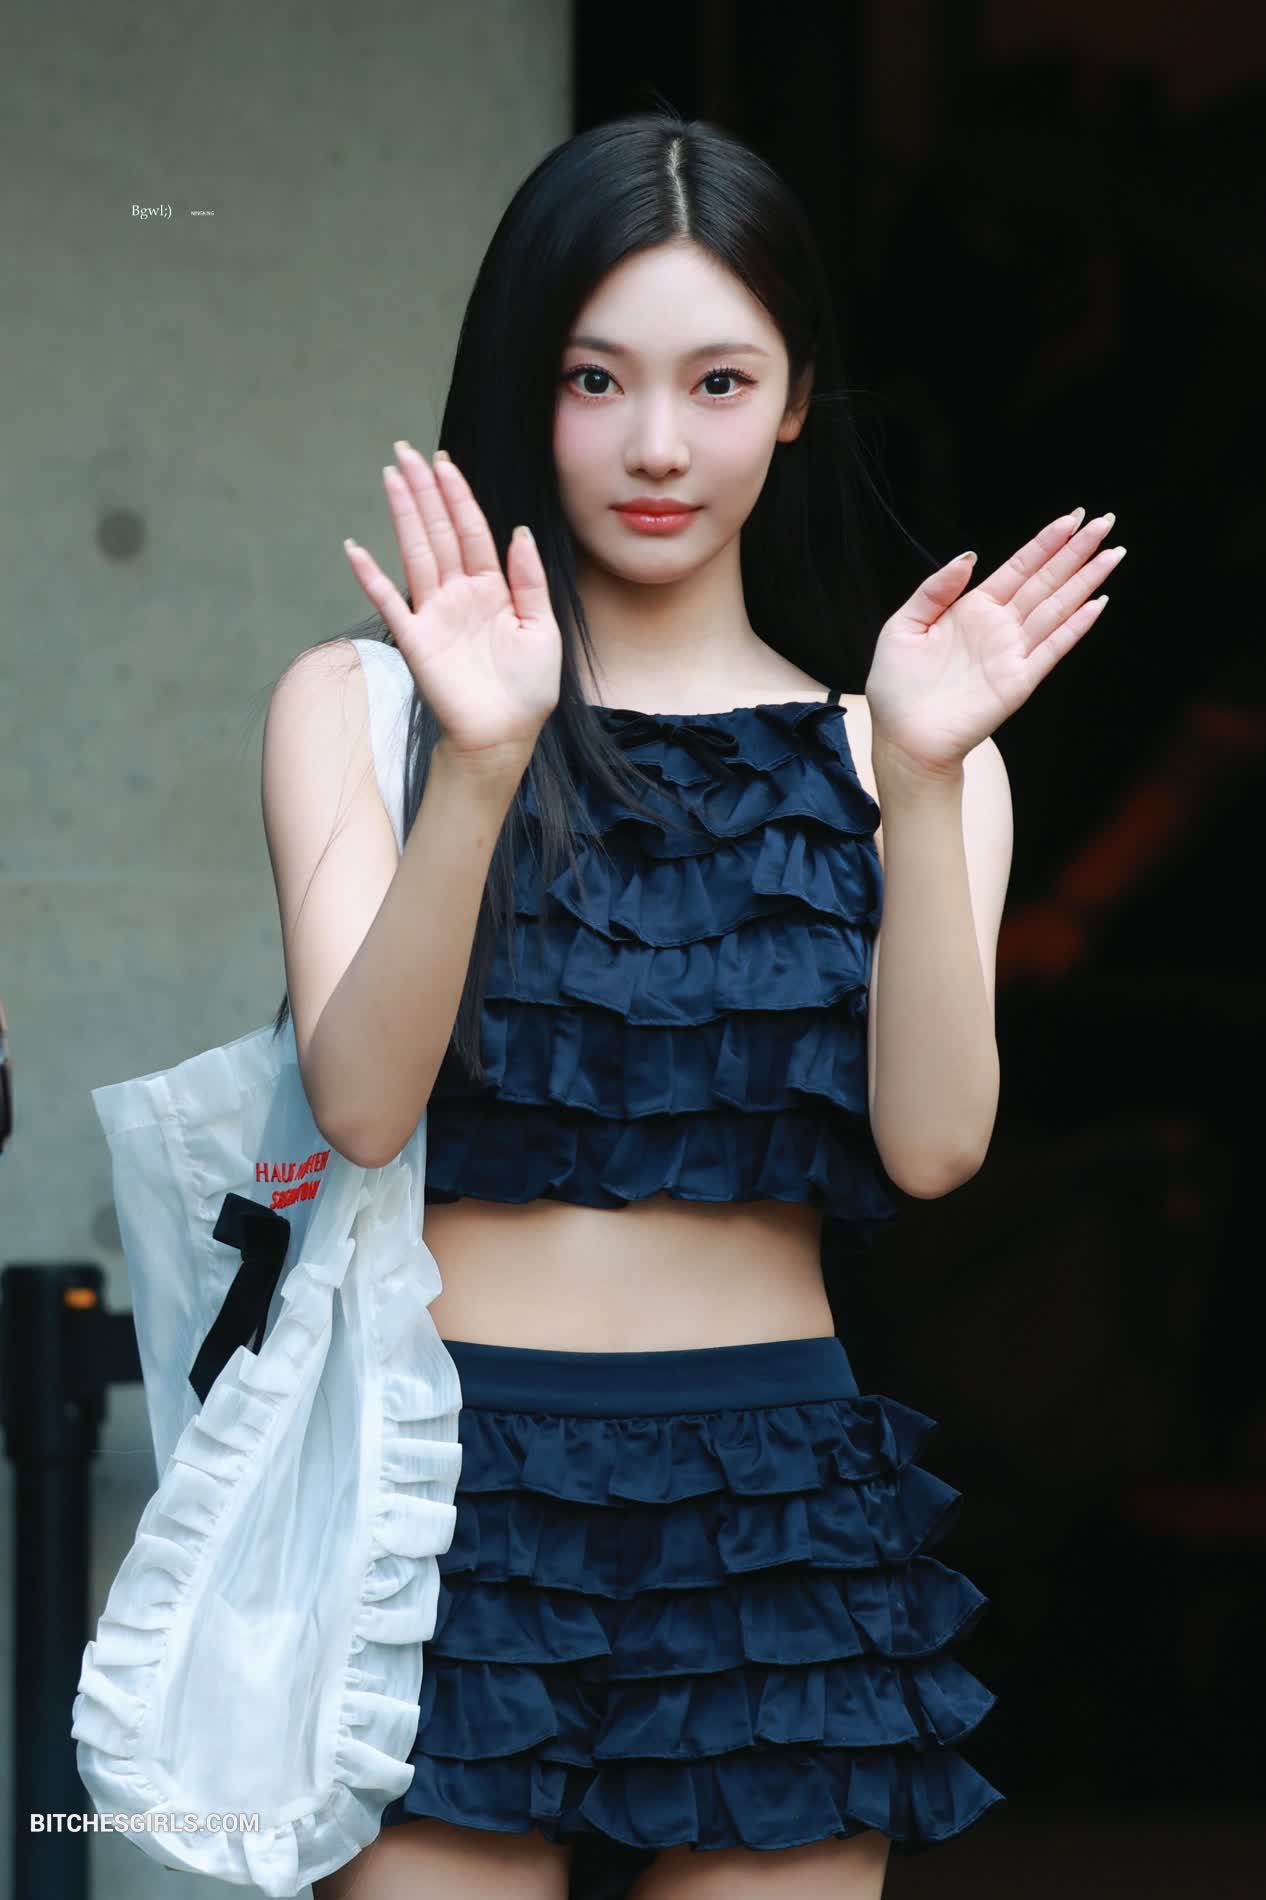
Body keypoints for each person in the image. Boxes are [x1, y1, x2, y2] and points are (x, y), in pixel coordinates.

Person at [260, 107, 1124, 1900]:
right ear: (529, 385)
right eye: (595, 379)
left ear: (795, 399)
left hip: (776, 1503)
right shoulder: (361, 706)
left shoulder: (900, 751)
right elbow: (360, 1105)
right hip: (437, 1483)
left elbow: (933, 1148)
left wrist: (923, 780)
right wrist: (482, 765)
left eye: (718, 382)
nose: (657, 443)